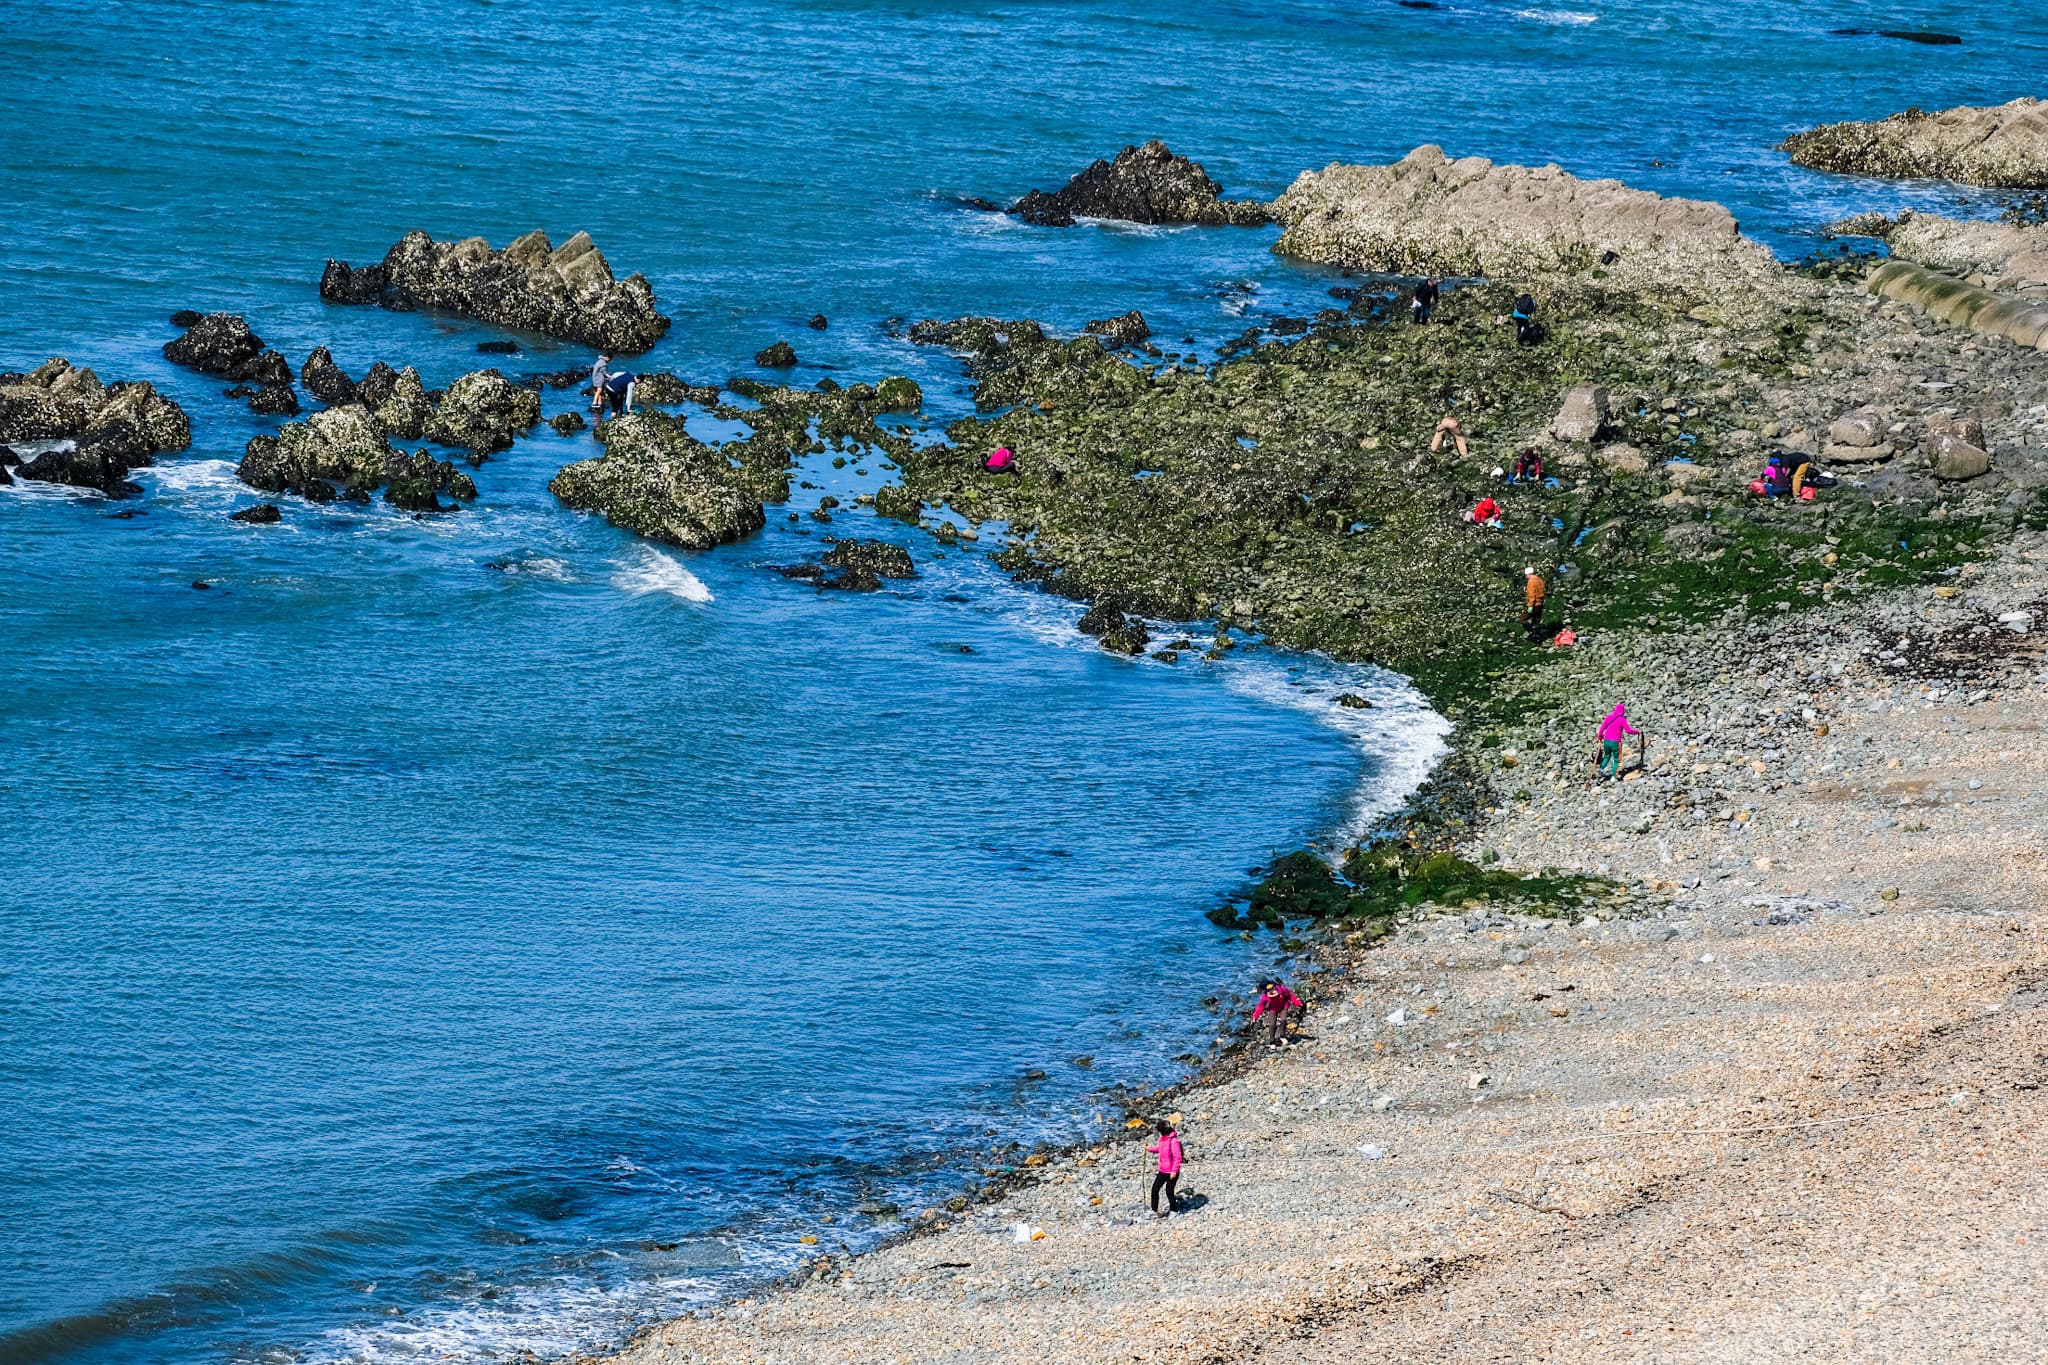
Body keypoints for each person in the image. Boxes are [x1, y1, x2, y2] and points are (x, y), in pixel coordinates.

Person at [1146, 1119, 1184, 1217]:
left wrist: (1174, 1171)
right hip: (1162, 1170)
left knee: (1169, 1192)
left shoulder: (1174, 1141)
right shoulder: (1163, 1139)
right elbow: (1160, 1149)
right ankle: (1154, 1209)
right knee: (1155, 1189)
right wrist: (1150, 1149)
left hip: (1171, 1171)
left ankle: (1174, 1210)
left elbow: (1178, 1157)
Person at [1250, 978, 1303, 1047]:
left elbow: (1290, 996)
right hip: (1273, 1009)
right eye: (1269, 990)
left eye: (1272, 988)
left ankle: (1282, 1036)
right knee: (1272, 1024)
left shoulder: (1282, 989)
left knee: (1283, 1020)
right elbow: (1260, 1006)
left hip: (1283, 1006)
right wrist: (1255, 1016)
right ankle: (1272, 1041)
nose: (1272, 990)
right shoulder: (1265, 996)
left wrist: (1298, 1002)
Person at [1598, 702, 1639, 778]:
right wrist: (1637, 732)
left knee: (1607, 756)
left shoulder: (1608, 717)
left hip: (1606, 740)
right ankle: (1614, 776)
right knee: (1617, 759)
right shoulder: (1622, 720)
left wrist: (1600, 737)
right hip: (1615, 742)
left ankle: (1601, 769)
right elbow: (1628, 731)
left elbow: (1602, 729)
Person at [1523, 566, 1547, 632]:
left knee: (1522, 619)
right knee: (1536, 621)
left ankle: (1530, 632)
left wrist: (1530, 606)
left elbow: (1532, 595)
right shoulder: (1540, 580)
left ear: (1528, 574)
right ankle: (1537, 634)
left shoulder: (1531, 582)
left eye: (1526, 575)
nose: (1526, 577)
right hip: (1540, 603)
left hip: (1534, 604)